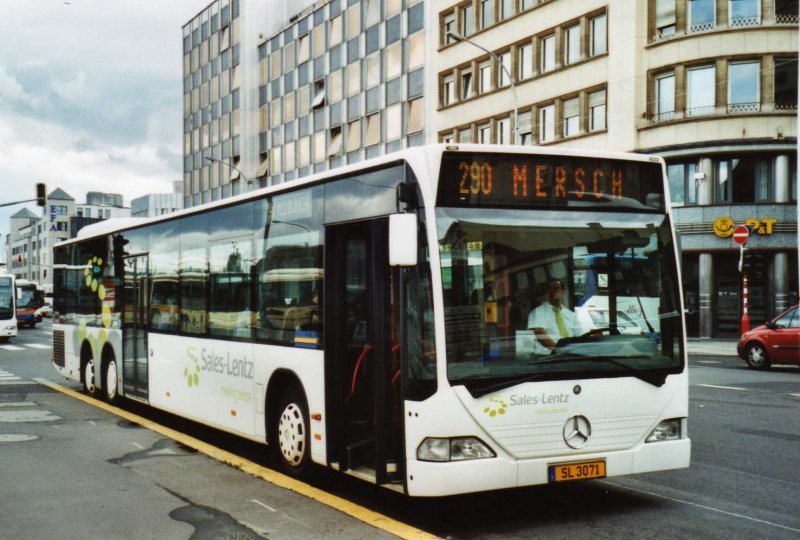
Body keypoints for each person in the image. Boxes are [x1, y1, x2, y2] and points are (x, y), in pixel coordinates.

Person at [527, 278, 582, 354]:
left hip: (570, 356)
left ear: (562, 291)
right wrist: (559, 351)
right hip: (548, 359)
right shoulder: (538, 312)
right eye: (549, 289)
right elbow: (540, 334)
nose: (552, 291)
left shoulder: (571, 315)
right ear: (546, 292)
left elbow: (580, 336)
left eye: (556, 288)